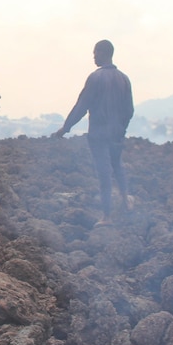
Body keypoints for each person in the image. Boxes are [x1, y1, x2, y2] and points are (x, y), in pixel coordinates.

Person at [52, 39, 134, 226]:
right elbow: (129, 110)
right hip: (117, 134)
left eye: (95, 53)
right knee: (117, 165)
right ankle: (126, 200)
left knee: (104, 171)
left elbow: (82, 105)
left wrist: (66, 127)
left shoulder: (95, 78)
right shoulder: (124, 79)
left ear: (103, 53)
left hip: (99, 134)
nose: (93, 57)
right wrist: (122, 129)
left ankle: (106, 216)